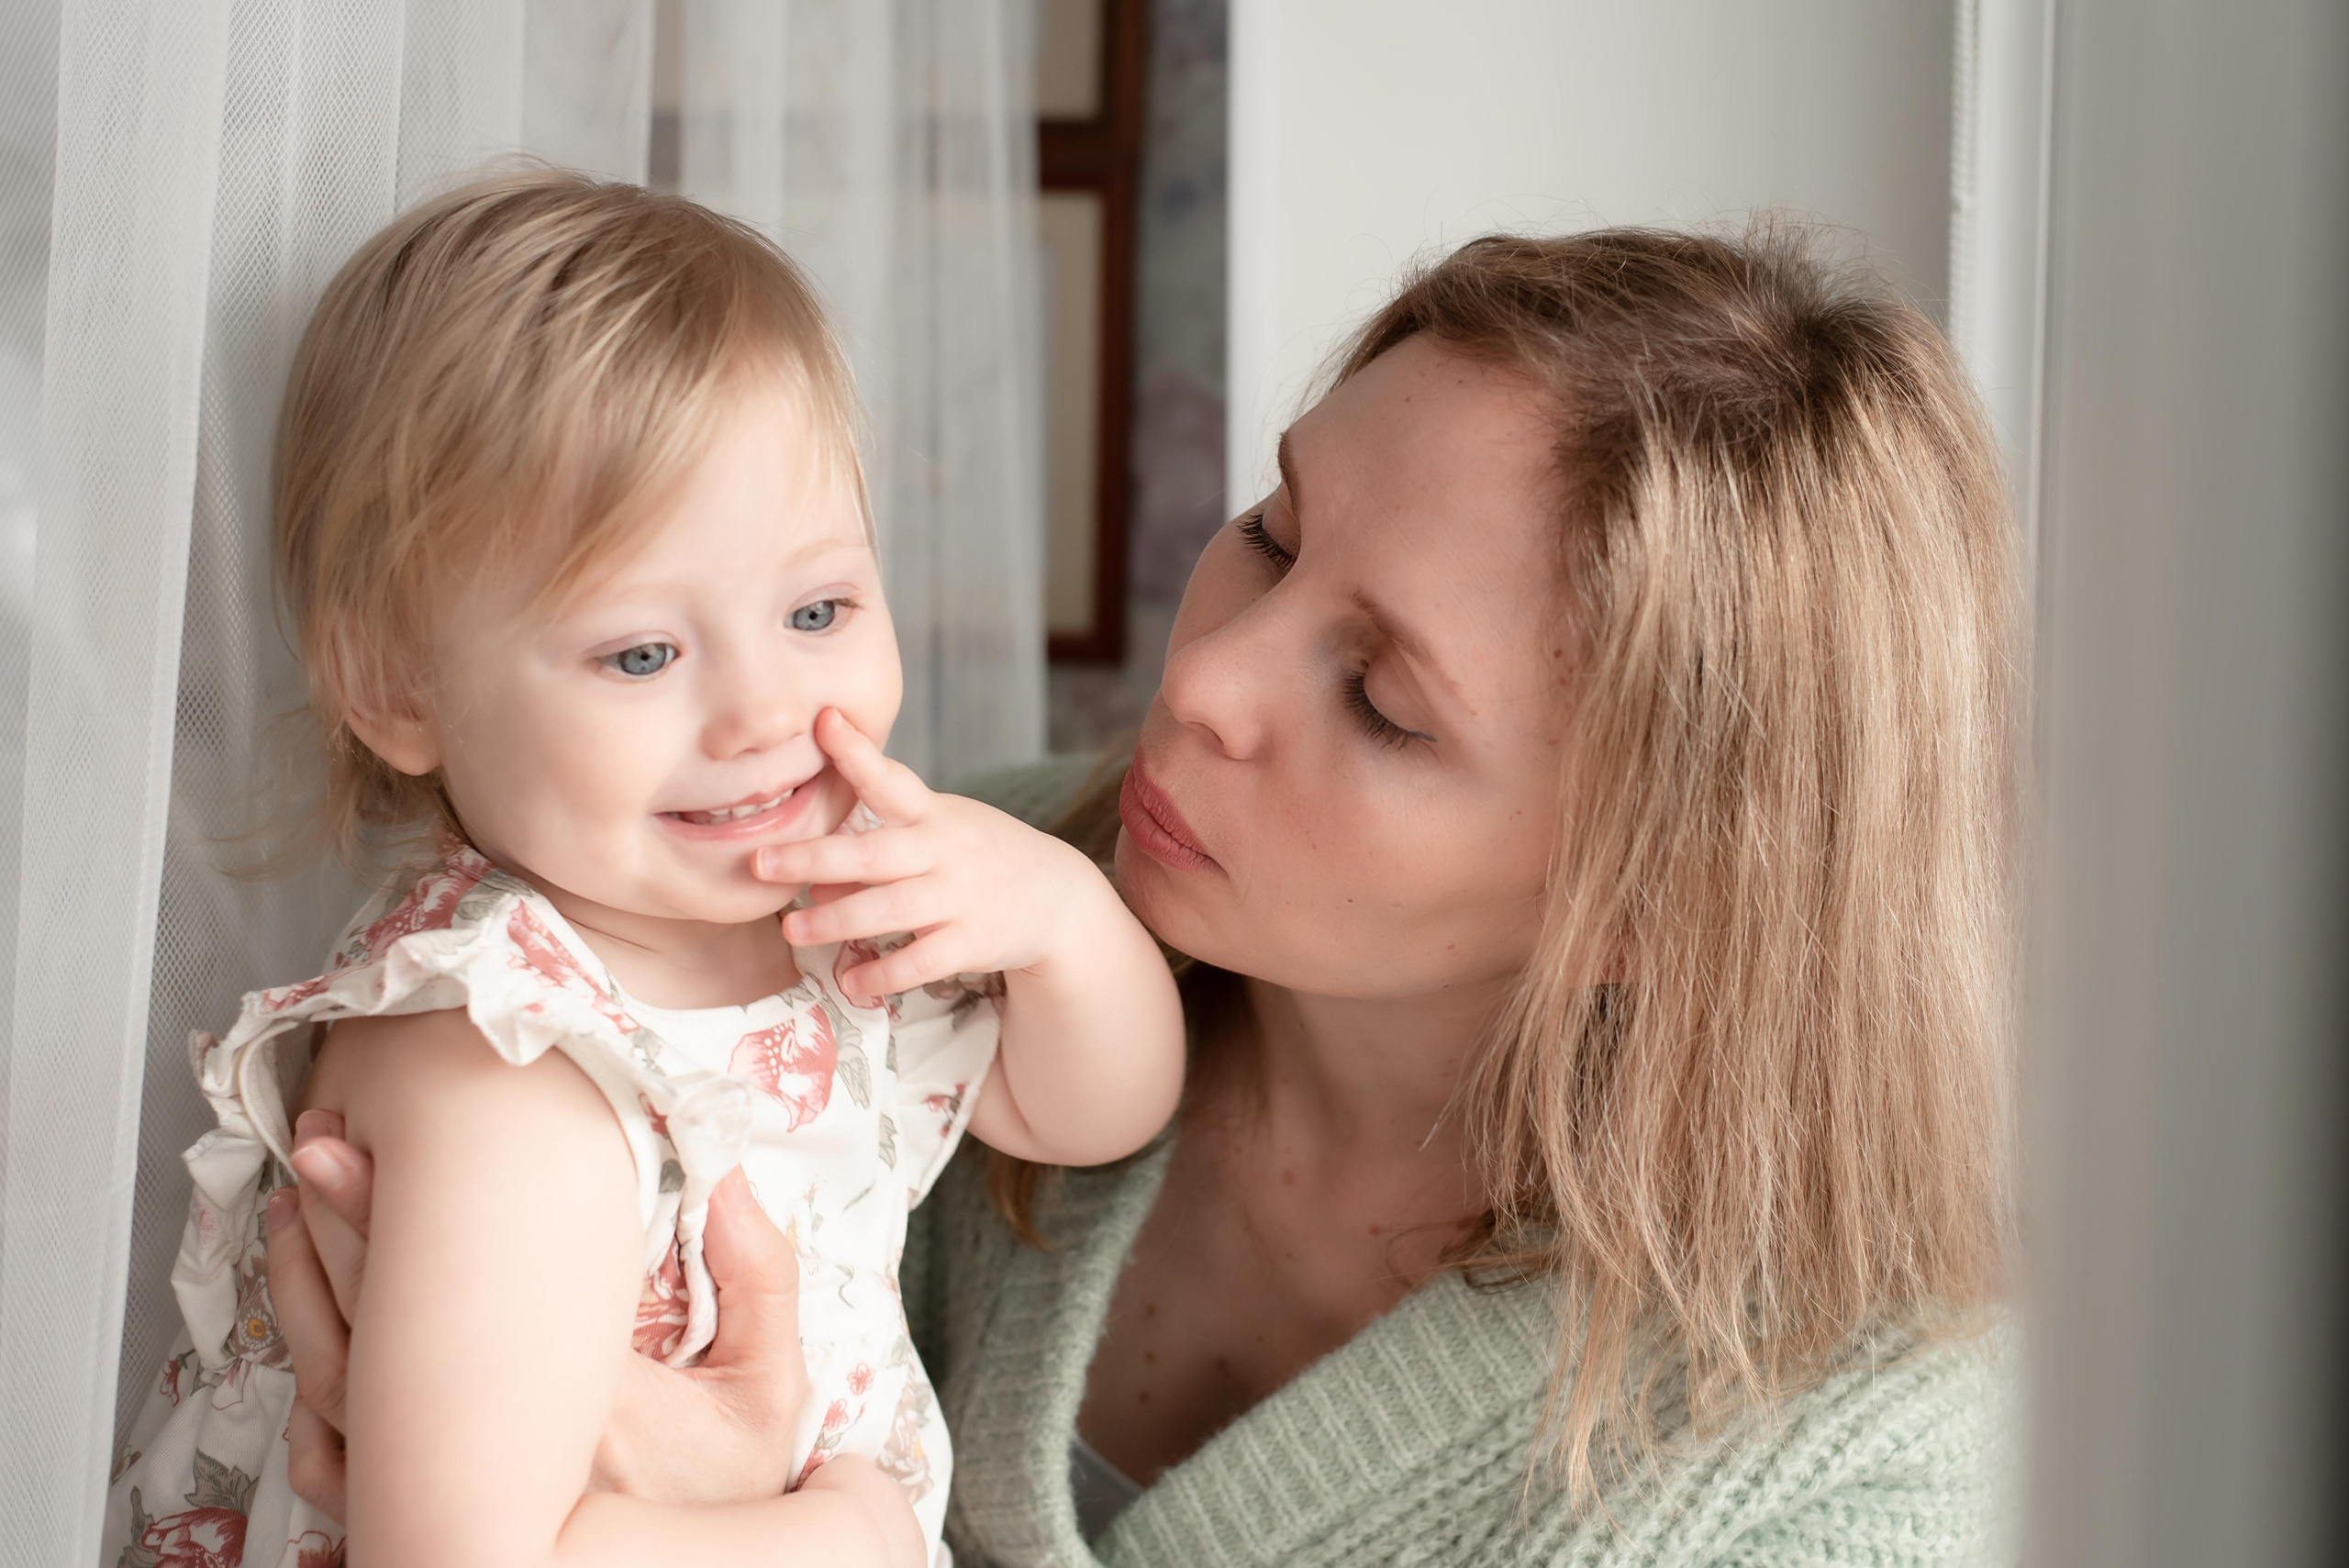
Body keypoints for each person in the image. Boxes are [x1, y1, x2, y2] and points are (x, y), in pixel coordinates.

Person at [263, 226, 2021, 1565]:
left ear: (1661, 901)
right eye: (1271, 530)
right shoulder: (864, 910)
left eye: (1382, 699)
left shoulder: (1863, 1465)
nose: (1202, 681)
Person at [102, 171, 1185, 1568]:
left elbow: (1093, 1108)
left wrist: (1060, 916)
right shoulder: (506, 1062)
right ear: (399, 688)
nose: (764, 710)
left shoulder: (822, 914)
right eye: (642, 653)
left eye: (817, 610)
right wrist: (847, 1543)